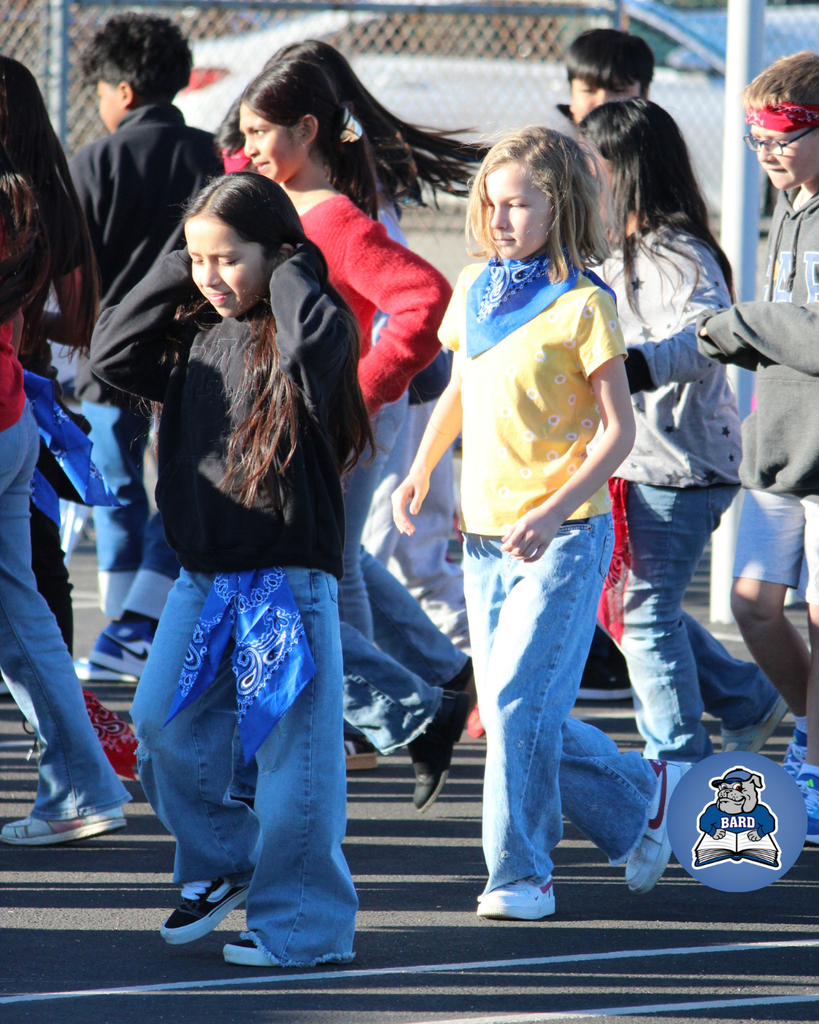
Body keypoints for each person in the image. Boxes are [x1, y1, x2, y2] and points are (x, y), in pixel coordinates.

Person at [393, 126, 685, 920]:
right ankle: (637, 803)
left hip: (562, 536)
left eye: (517, 203)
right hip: (482, 538)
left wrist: (553, 510)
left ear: (558, 204)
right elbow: (458, 389)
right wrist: (421, 469)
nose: (498, 218)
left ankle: (521, 874)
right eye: (489, 203)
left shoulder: (585, 303)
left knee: (519, 707)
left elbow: (617, 432)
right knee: (523, 715)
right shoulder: (473, 288)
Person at [91, 172, 364, 967]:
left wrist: (285, 267)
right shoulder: (189, 336)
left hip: (286, 581)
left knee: (294, 768)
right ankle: (223, 858)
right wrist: (189, 257)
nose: (213, 276)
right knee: (161, 728)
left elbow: (317, 342)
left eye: (229, 260)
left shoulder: (306, 321)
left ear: (278, 254)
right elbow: (111, 350)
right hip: (205, 578)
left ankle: (305, 929)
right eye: (198, 259)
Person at [239, 53, 473, 809]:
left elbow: (423, 302)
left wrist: (360, 397)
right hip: (301, 429)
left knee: (315, 583)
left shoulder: (333, 217)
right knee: (333, 572)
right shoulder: (275, 202)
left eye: (257, 134)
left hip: (333, 434)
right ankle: (429, 686)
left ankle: (407, 714)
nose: (245, 150)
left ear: (307, 130)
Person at [577, 98, 786, 762]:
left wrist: (627, 368)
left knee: (642, 614)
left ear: (625, 167)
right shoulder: (620, 249)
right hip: (637, 463)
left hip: (681, 468)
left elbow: (707, 340)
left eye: (592, 161)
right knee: (630, 608)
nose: (583, 173)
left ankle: (676, 764)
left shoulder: (675, 251)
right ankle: (745, 697)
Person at [70, 12, 222, 682]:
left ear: (122, 92)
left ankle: (120, 629)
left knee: (117, 491)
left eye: (99, 91)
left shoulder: (94, 161)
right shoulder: (206, 154)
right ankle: (144, 624)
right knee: (181, 483)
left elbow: (73, 269)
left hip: (111, 356)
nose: (99, 104)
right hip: (193, 351)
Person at [697, 50, 819, 844]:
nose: (768, 152)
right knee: (751, 606)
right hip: (779, 450)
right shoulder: (791, 208)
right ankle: (811, 728)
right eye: (755, 140)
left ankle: (809, 763)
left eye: (782, 135)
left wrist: (739, 324)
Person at [0, 141, 130, 846]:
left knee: (24, 618)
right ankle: (82, 784)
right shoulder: (20, 199)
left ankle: (83, 783)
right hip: (12, 414)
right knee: (24, 619)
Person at [0, 56, 98, 654]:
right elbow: (81, 316)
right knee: (36, 559)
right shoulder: (53, 197)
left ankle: (66, 713)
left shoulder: (30, 200)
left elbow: (80, 320)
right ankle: (65, 717)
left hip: (22, 397)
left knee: (36, 557)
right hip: (27, 397)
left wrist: (23, 322)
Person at [555, 28, 654, 135]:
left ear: (644, 94)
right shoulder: (546, 147)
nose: (602, 103)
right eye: (589, 91)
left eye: (618, 91)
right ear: (572, 94)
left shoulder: (660, 145)